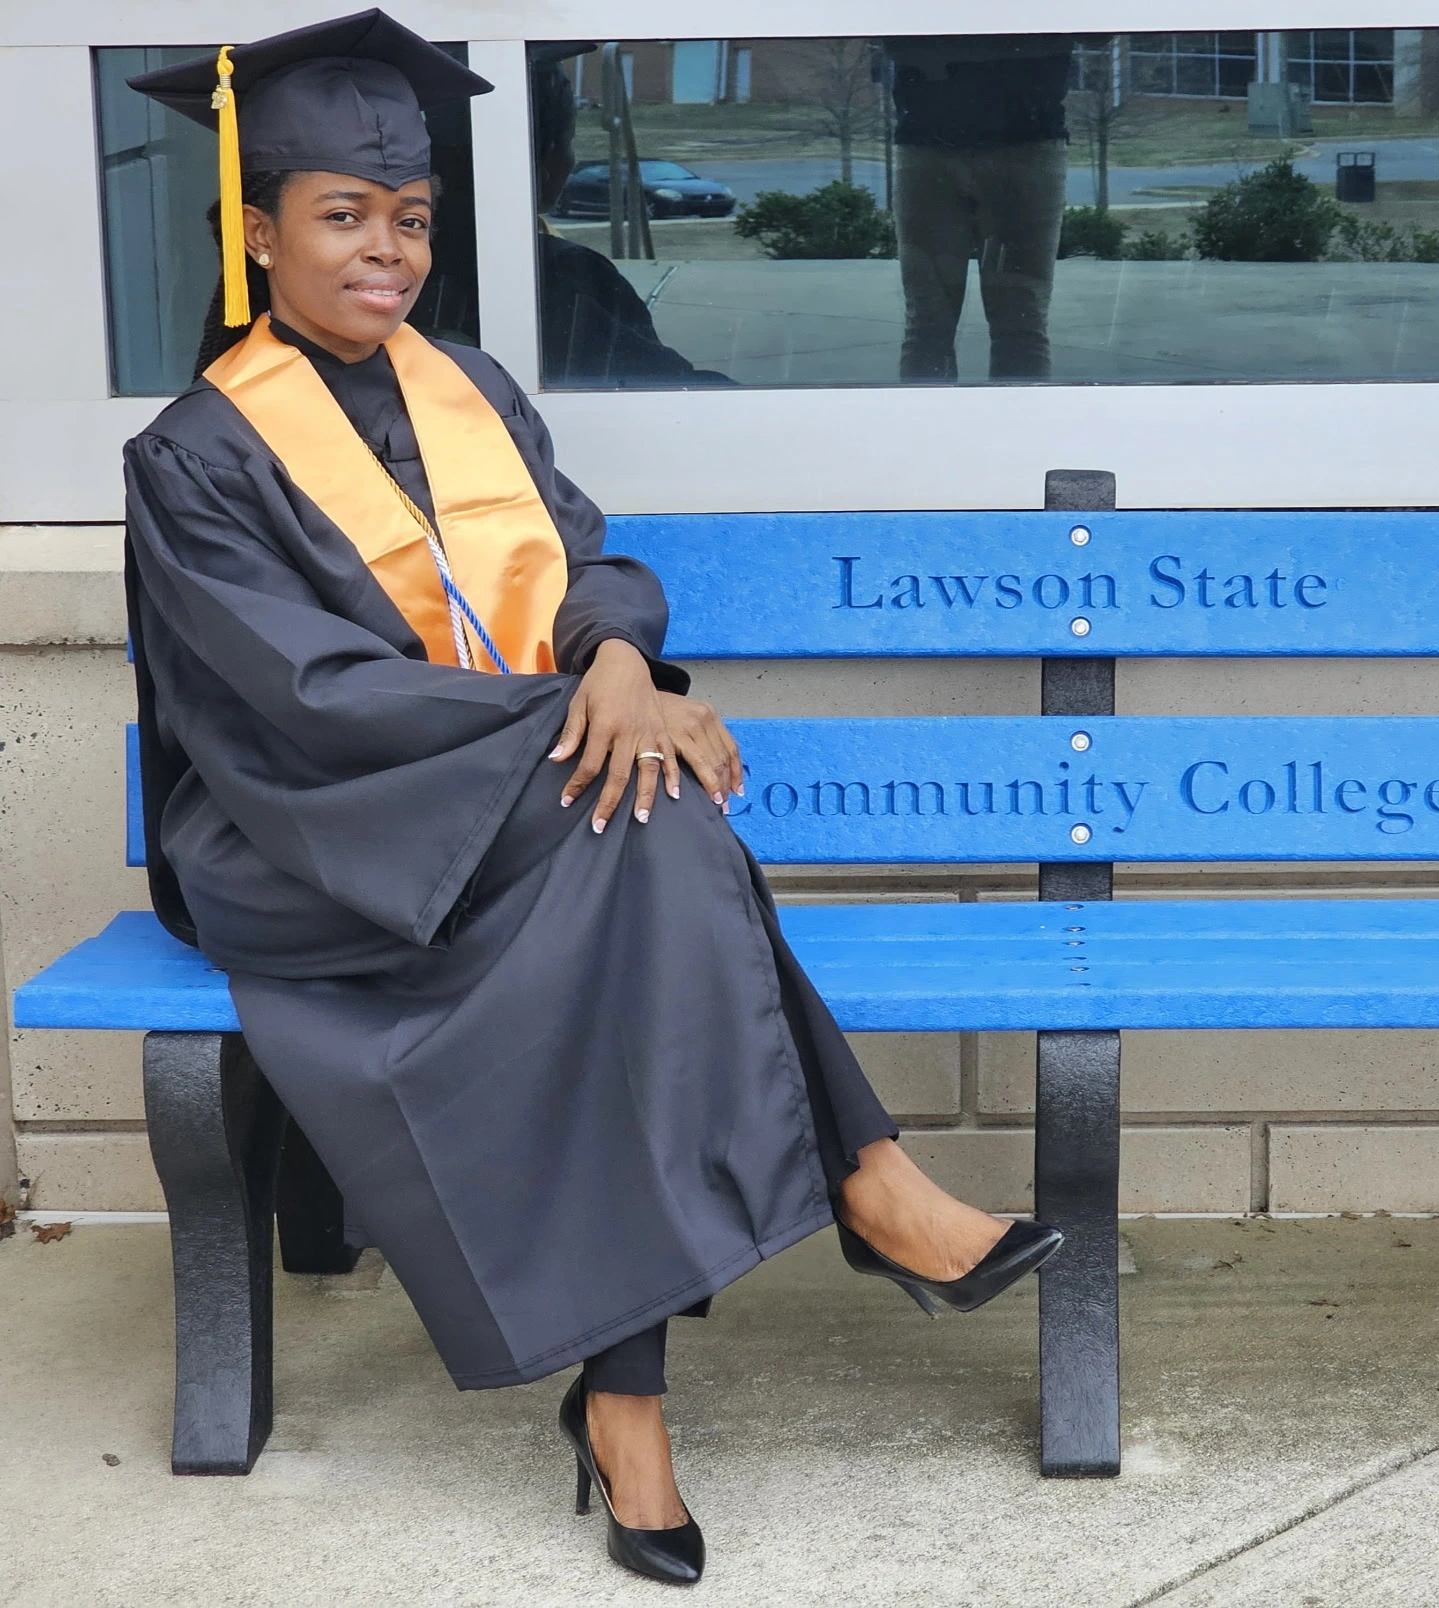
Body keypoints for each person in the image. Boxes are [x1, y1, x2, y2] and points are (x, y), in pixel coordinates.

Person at [123, 11, 1061, 1589]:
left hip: (513, 802)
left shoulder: (470, 392)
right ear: (256, 229)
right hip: (311, 837)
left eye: (410, 219)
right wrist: (593, 708)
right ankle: (872, 1183)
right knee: (643, 810)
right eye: (344, 216)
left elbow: (584, 562)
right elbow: (300, 702)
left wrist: (621, 657)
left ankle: (634, 1412)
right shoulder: (195, 459)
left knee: (636, 822)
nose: (389, 251)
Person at [527, 43, 731, 389]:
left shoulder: (438, 257)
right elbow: (658, 388)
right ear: (545, 157)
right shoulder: (559, 276)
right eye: (569, 141)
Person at [883, 36, 1073, 381]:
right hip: (983, 138)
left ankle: (1002, 428)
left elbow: (1100, 27)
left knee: (1010, 321)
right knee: (942, 322)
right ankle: (932, 429)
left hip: (1003, 139)